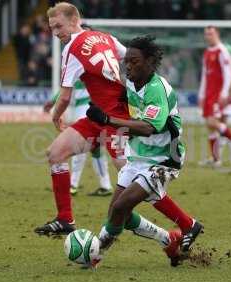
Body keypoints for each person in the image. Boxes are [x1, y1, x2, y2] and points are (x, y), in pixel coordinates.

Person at [35, 3, 202, 247]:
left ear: (74, 20)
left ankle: (183, 227)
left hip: (117, 120)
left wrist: (55, 116)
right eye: (51, 28)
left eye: (58, 26)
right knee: (56, 153)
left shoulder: (71, 48)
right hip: (99, 117)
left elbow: (65, 96)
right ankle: (65, 219)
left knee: (139, 182)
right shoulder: (105, 37)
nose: (55, 33)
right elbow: (129, 58)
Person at [86, 36, 203, 266]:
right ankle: (171, 238)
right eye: (126, 61)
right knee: (118, 214)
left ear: (150, 62)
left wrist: (109, 119)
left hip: (164, 157)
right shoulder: (130, 82)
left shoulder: (156, 89)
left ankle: (95, 254)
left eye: (134, 61)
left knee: (122, 205)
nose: (128, 66)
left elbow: (149, 127)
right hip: (138, 154)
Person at [44, 79, 113, 196]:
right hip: (98, 110)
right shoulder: (97, 67)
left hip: (83, 110)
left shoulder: (79, 65)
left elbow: (66, 90)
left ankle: (73, 184)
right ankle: (105, 185)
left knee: (77, 148)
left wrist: (52, 101)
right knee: (96, 150)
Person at [198, 26, 231, 167]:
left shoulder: (222, 50)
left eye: (210, 33)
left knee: (213, 122)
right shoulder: (206, 52)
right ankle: (216, 159)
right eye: (206, 34)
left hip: (218, 93)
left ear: (217, 34)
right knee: (210, 126)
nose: (208, 36)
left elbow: (228, 73)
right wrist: (201, 95)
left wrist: (224, 93)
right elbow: (205, 76)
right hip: (208, 94)